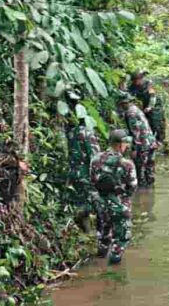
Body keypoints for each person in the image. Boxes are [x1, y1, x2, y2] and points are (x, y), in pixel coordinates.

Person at [90, 129, 138, 264]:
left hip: (100, 201)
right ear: (120, 144)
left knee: (104, 229)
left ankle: (101, 256)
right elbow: (132, 186)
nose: (127, 146)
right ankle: (114, 269)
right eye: (125, 143)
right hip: (119, 203)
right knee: (122, 236)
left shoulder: (95, 159)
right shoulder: (127, 164)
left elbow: (92, 180)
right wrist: (123, 199)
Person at [66, 96, 101, 232]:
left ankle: (85, 231)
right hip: (86, 173)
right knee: (95, 203)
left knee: (81, 200)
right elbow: (95, 156)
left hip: (75, 173)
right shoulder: (88, 133)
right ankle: (97, 233)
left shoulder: (71, 133)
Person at [118, 93, 157, 186]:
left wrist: (134, 149)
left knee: (140, 170)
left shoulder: (130, 113)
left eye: (123, 104)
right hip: (151, 142)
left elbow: (136, 132)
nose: (122, 106)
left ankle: (142, 194)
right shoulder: (136, 109)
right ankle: (150, 193)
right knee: (150, 169)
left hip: (143, 144)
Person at [128, 70, 167, 144]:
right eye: (134, 80)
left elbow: (153, 97)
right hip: (142, 105)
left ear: (141, 79)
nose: (135, 82)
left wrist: (150, 107)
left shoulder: (148, 84)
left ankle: (160, 140)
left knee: (156, 122)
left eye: (137, 80)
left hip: (155, 105)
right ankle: (147, 140)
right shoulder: (132, 86)